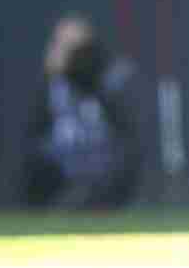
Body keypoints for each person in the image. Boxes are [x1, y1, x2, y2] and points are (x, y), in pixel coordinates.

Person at [19, 14, 142, 208]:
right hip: (60, 166)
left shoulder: (109, 81)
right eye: (62, 45)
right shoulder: (48, 87)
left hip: (100, 165)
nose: (67, 53)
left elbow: (126, 132)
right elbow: (33, 135)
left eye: (74, 46)